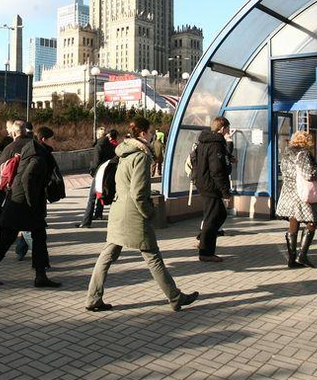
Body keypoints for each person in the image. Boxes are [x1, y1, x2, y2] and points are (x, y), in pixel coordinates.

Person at [85, 117, 199, 312]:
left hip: (118, 211)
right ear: (144, 133)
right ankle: (175, 297)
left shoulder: (124, 153)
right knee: (152, 256)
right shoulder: (141, 156)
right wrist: (150, 212)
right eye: (151, 131)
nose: (153, 134)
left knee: (107, 254)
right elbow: (138, 193)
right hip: (134, 215)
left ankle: (93, 298)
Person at [0, 122, 60, 288]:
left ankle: (39, 275)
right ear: (44, 139)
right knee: (20, 238)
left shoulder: (34, 150)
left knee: (24, 237)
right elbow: (26, 178)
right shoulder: (38, 156)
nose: (55, 142)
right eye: (53, 139)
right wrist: (32, 203)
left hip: (17, 202)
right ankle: (38, 275)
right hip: (23, 204)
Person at [188, 116, 232, 262]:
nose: (228, 131)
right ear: (222, 128)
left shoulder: (204, 142)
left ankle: (204, 239)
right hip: (210, 186)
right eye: (227, 128)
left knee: (218, 215)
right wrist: (225, 191)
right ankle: (206, 252)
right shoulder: (216, 144)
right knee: (213, 217)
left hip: (204, 183)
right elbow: (217, 170)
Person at [276, 131, 317, 268]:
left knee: (293, 221)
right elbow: (309, 174)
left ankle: (291, 259)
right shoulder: (304, 154)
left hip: (288, 191)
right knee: (312, 221)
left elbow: (284, 172)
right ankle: (302, 256)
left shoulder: (286, 153)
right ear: (306, 141)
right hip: (302, 193)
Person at [77, 128, 118, 228]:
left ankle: (86, 222)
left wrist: (92, 171)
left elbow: (96, 162)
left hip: (99, 173)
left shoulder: (99, 145)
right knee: (99, 194)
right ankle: (98, 214)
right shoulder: (110, 145)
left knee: (92, 198)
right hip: (106, 173)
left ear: (98, 135)